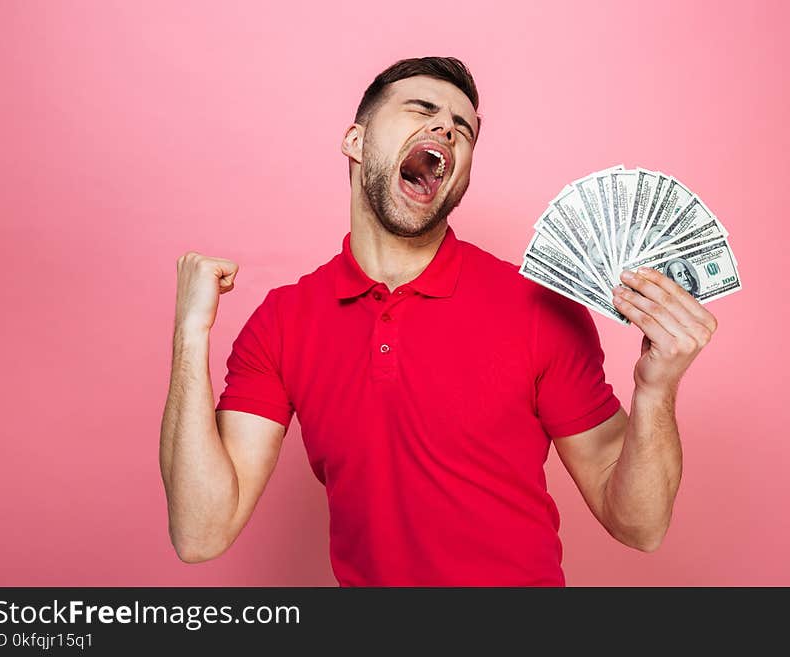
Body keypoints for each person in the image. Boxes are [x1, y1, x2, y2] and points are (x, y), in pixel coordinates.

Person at [159, 57, 718, 586]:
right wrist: (190, 336)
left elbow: (639, 526)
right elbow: (201, 532)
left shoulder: (538, 308)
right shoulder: (284, 321)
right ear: (355, 142)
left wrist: (657, 388)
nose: (447, 129)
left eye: (463, 129)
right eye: (422, 110)